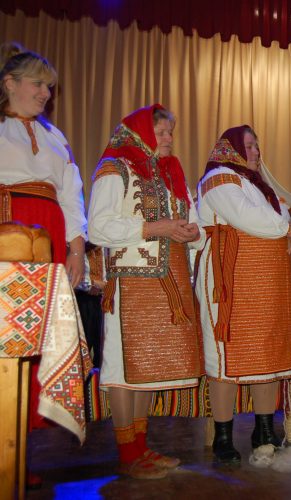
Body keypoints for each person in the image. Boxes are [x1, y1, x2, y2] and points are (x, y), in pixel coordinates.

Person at [88, 104, 204, 479]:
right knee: (124, 368)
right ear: (140, 133)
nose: (169, 138)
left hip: (168, 279)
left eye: (171, 132)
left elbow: (194, 226)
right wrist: (157, 228)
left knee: (147, 366)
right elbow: (98, 227)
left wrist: (191, 232)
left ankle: (141, 446)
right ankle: (128, 453)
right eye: (162, 132)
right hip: (130, 282)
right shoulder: (114, 168)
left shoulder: (171, 175)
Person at [0, 42, 87, 489]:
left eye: (49, 88)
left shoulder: (56, 138)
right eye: (38, 84)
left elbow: (71, 193)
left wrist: (76, 247)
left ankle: (15, 450)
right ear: (9, 84)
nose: (45, 94)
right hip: (7, 229)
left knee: (35, 340)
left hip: (48, 235)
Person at [195, 125, 291, 465]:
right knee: (226, 356)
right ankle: (223, 436)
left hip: (265, 284)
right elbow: (256, 220)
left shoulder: (259, 186)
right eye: (250, 146)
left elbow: (277, 220)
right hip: (230, 281)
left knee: (266, 354)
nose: (257, 152)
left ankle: (264, 431)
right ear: (231, 150)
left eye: (257, 146)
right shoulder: (219, 178)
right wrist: (288, 226)